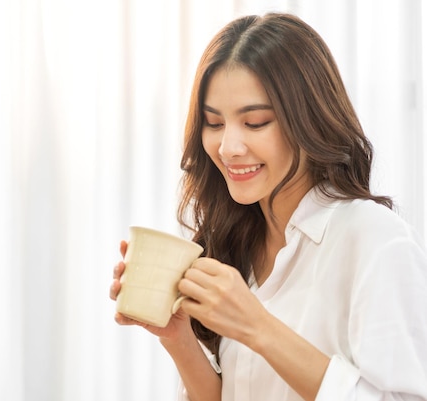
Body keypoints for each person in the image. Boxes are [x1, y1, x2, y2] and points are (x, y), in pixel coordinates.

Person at [109, 12, 427, 401]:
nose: (228, 148)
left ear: (310, 119)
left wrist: (256, 325)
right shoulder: (236, 241)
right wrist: (179, 338)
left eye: (255, 122)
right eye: (213, 123)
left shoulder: (376, 241)